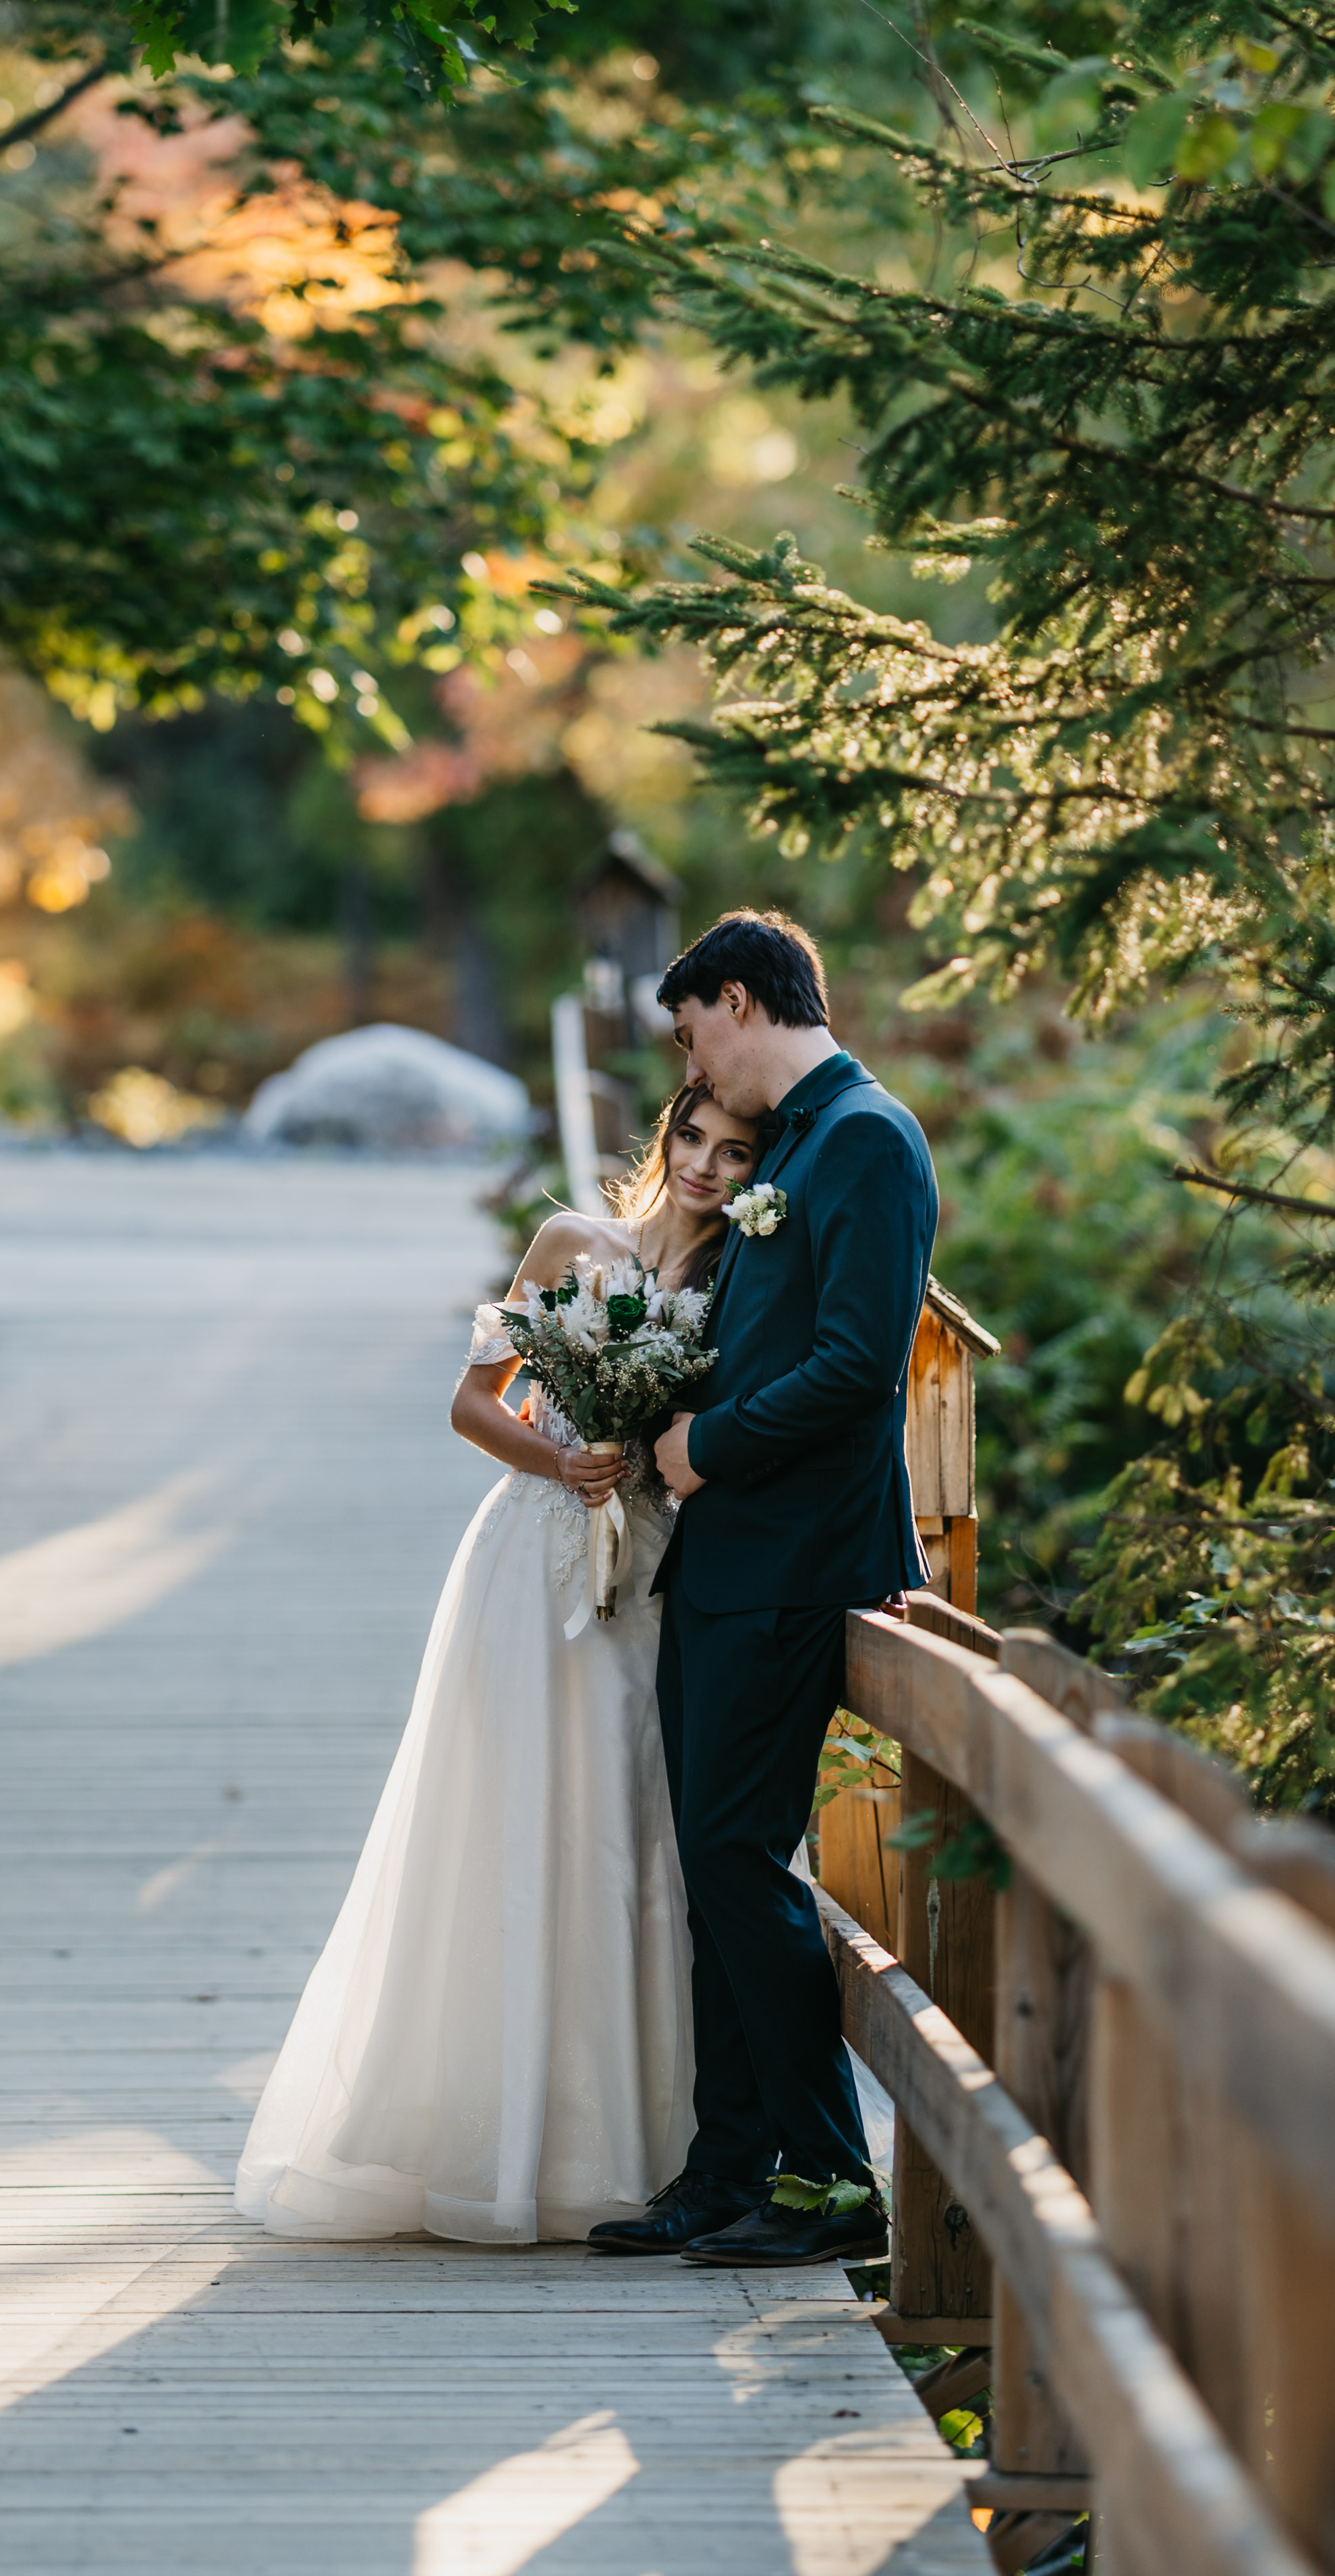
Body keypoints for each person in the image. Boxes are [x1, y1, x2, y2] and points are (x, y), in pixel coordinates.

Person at [233, 1083, 766, 2243]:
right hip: (532, 1559)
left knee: (627, 1825)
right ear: (667, 1136)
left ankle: (630, 2147)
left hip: (650, 1573)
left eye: (736, 1155)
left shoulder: (741, 1287)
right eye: (694, 1139)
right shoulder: (574, 1244)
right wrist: (556, 1461)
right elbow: (475, 1404)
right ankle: (484, 2134)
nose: (707, 1168)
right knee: (511, 1814)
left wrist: (652, 1466)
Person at [590, 911, 936, 2269]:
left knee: (741, 1857)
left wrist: (702, 1444)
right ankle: (728, 2161)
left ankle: (834, 2177)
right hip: (727, 1556)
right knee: (713, 1863)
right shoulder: (792, 1145)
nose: (693, 1063)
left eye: (692, 1031)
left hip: (795, 1557)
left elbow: (860, 1361)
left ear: (738, 998)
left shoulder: (864, 1137)